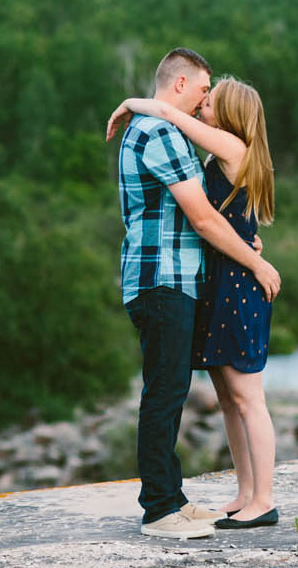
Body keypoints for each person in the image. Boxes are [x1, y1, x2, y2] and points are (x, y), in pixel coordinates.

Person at [108, 48, 281, 540]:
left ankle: (200, 501)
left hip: (197, 282)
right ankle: (163, 507)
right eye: (204, 89)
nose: (206, 100)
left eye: (213, 98)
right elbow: (205, 218)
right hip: (168, 280)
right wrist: (252, 253)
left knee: (224, 395)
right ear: (181, 83)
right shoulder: (164, 132)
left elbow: (212, 215)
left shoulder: (192, 136)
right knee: (174, 394)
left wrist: (250, 250)